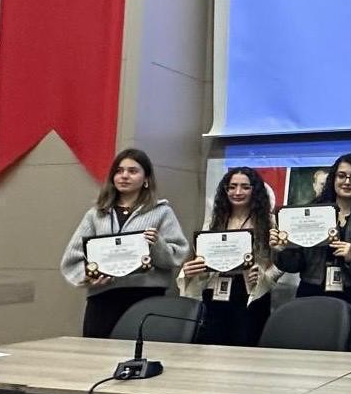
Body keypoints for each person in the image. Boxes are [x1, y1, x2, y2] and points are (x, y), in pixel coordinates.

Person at [60, 148, 188, 339]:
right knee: (97, 352)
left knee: (140, 352)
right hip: (103, 299)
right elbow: (72, 259)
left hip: (146, 298)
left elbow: (176, 256)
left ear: (146, 179)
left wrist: (157, 244)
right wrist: (89, 276)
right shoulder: (96, 214)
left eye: (132, 171)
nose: (124, 176)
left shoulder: (162, 212)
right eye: (119, 171)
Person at [271, 154, 351, 351]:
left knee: (348, 357)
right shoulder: (310, 214)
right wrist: (281, 249)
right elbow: (294, 265)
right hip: (311, 292)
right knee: (308, 355)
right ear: (333, 179)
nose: (347, 181)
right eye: (341, 176)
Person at [178, 167, 281, 347]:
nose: (237, 192)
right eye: (232, 187)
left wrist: (265, 276)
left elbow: (282, 262)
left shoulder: (269, 222)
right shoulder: (213, 221)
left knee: (246, 344)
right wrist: (191, 269)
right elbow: (201, 258)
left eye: (245, 187)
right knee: (211, 345)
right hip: (215, 290)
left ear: (255, 190)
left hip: (251, 292)